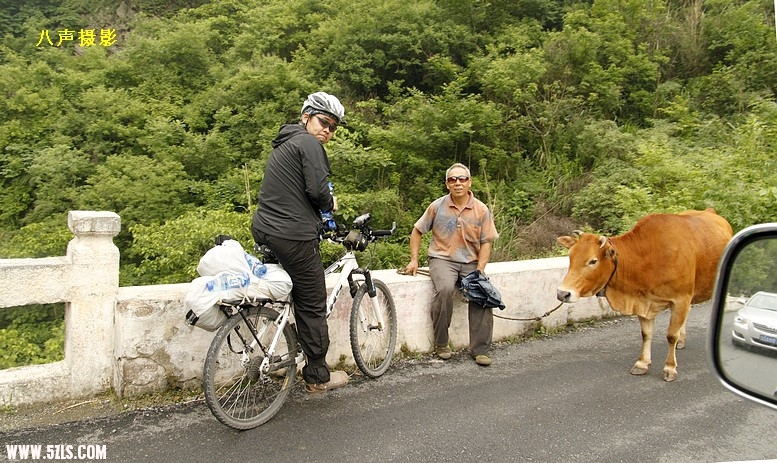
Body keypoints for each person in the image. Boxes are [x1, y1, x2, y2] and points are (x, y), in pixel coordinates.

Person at [251, 91, 348, 393]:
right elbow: (318, 191)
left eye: (333, 127)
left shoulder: (285, 142)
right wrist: (331, 203)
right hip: (292, 236)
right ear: (306, 117)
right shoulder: (309, 143)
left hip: (265, 229)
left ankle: (286, 354)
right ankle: (318, 376)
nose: (327, 131)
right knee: (313, 302)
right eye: (323, 122)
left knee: (293, 293)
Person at [404, 163, 500, 366]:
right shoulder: (437, 206)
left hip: (471, 261)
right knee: (446, 289)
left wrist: (480, 270)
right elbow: (417, 230)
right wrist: (414, 259)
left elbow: (486, 242)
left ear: (469, 182)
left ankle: (480, 349)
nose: (458, 183)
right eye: (452, 179)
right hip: (442, 259)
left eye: (462, 179)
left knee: (482, 293)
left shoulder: (481, 210)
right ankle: (441, 342)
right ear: (447, 184)